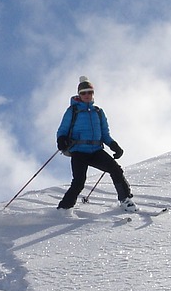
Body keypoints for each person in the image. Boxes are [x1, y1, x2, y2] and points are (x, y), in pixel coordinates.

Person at [55, 76, 136, 212]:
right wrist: (61, 139)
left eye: (89, 92)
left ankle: (125, 200)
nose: (87, 95)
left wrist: (113, 145)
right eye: (83, 93)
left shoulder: (98, 112)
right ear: (79, 95)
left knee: (115, 170)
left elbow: (105, 133)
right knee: (79, 182)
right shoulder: (72, 111)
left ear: (93, 94)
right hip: (79, 151)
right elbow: (62, 129)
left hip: (96, 151)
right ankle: (64, 208)